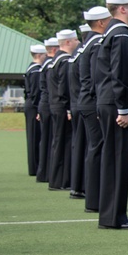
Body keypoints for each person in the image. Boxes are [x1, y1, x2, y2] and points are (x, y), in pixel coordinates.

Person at [95, 0, 128, 231]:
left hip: (107, 102)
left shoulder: (109, 32)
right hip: (116, 104)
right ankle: (115, 216)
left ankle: (110, 214)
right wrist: (123, 108)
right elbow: (121, 74)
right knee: (117, 159)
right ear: (122, 9)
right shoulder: (121, 35)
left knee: (112, 158)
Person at [78, 7, 111, 214]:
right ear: (100, 23)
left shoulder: (86, 44)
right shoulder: (98, 43)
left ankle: (93, 198)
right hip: (93, 101)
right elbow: (96, 76)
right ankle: (96, 199)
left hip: (86, 101)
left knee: (94, 149)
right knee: (98, 149)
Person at [47, 29, 80, 191]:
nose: (78, 42)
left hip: (54, 105)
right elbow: (64, 87)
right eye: (75, 40)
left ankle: (56, 179)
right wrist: (68, 108)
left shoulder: (55, 60)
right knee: (65, 143)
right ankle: (63, 180)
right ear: (67, 42)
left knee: (58, 142)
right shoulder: (65, 60)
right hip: (62, 106)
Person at [68, 24, 92, 200]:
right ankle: (83, 187)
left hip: (77, 104)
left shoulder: (77, 54)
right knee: (87, 148)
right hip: (86, 103)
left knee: (80, 146)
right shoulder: (88, 51)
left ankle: (77, 186)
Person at [34, 37, 59, 184]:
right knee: (50, 140)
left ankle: (43, 172)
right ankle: (46, 173)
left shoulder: (45, 65)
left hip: (45, 104)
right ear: (55, 49)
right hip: (50, 104)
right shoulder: (51, 64)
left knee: (47, 140)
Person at [24, 44, 47, 176]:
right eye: (44, 55)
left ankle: (35, 166)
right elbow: (35, 92)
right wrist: (39, 108)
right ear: (39, 55)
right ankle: (35, 167)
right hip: (33, 106)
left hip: (31, 105)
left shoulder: (32, 69)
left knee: (35, 136)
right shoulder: (36, 70)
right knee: (34, 137)